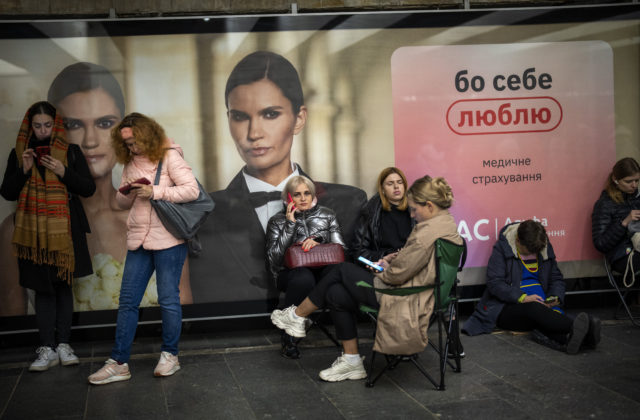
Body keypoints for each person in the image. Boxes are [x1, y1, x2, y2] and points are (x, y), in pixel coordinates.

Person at [189, 51, 366, 305]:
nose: (253, 133)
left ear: (299, 119)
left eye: (270, 114)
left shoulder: (350, 203)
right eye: (240, 116)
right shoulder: (204, 215)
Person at [270, 175, 462, 382]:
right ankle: (351, 361)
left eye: (415, 209)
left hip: (404, 295)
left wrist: (382, 269)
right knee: (336, 293)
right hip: (419, 291)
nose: (413, 215)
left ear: (430, 206)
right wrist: (392, 262)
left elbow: (397, 275)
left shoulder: (427, 232)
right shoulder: (446, 225)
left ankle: (297, 316)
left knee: (341, 270)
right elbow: (414, 265)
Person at [88, 113, 199, 385]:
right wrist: (125, 193)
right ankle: (119, 362)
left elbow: (192, 191)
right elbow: (123, 203)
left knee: (168, 300)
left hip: (169, 240)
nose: (131, 147)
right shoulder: (130, 163)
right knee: (127, 302)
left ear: (147, 135)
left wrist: (156, 192)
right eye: (126, 143)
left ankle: (170, 355)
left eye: (134, 141)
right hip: (138, 240)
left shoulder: (170, 156)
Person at [0, 101, 95, 371]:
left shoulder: (71, 152)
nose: (42, 131)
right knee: (42, 288)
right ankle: (46, 348)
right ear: (29, 127)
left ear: (56, 125)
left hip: (65, 230)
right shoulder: (20, 153)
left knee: (63, 285)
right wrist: (24, 170)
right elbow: (7, 192)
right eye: (37, 125)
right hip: (33, 234)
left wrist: (63, 172)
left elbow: (88, 189)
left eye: (48, 125)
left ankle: (64, 344)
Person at [463, 220, 601, 354]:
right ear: (517, 240)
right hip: (508, 307)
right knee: (535, 309)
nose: (530, 254)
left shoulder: (543, 246)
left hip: (543, 304)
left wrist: (555, 297)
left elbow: (556, 278)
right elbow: (495, 283)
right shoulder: (502, 249)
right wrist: (523, 298)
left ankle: (569, 339)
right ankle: (580, 328)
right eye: (527, 251)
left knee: (547, 316)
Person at [266, 175, 345, 359]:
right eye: (297, 194)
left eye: (307, 193)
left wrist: (320, 241)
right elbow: (273, 259)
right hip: (292, 273)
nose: (303, 198)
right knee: (304, 279)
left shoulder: (327, 215)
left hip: (324, 269)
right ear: (289, 198)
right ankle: (289, 338)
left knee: (337, 274)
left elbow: (342, 250)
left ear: (313, 195)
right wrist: (290, 226)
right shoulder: (277, 221)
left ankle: (348, 340)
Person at [591, 157, 640, 281]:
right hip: (622, 255)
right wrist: (624, 222)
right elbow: (600, 244)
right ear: (615, 180)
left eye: (637, 180)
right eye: (629, 181)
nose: (634, 185)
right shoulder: (604, 204)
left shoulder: (637, 198)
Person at [352, 167, 413, 264]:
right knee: (343, 269)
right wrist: (384, 256)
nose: (396, 186)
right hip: (384, 265)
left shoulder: (417, 210)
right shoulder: (370, 212)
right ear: (382, 189)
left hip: (412, 262)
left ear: (405, 186)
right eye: (390, 183)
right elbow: (358, 253)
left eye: (400, 182)